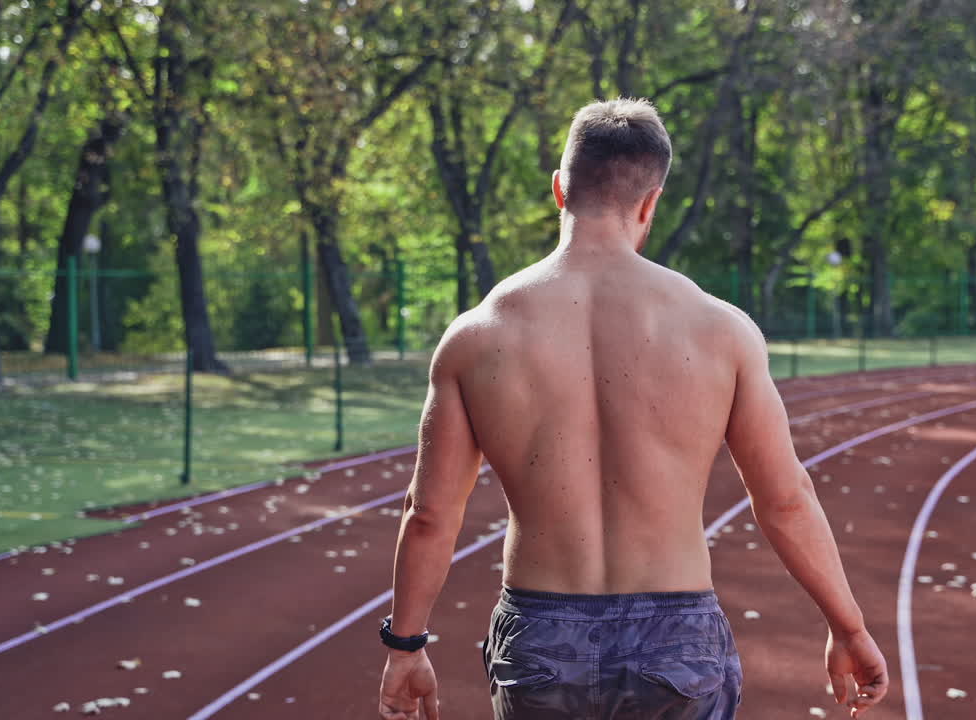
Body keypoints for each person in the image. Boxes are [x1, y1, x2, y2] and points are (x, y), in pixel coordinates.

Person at [377, 98, 888, 720]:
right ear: (651, 203)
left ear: (559, 191)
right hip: (677, 638)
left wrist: (406, 647)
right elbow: (785, 500)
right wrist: (849, 626)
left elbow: (429, 515)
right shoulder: (720, 330)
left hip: (543, 637)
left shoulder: (477, 335)